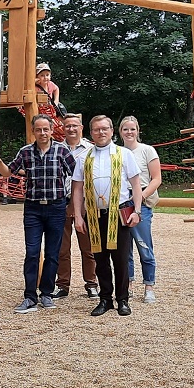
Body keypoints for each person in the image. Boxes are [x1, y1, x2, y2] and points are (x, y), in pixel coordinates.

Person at [0, 114, 76, 313]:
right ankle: (30, 296)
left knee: (53, 254)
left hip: (56, 207)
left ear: (52, 130)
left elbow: (77, 174)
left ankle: (46, 293)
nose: (43, 133)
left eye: (46, 129)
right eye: (39, 129)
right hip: (33, 209)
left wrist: (75, 203)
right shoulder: (26, 152)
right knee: (32, 253)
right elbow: (8, 172)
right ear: (33, 131)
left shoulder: (62, 151)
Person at [72, 115, 142, 317]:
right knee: (100, 258)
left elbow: (136, 185)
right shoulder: (84, 157)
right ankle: (105, 299)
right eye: (96, 129)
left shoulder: (124, 154)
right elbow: (77, 189)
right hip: (94, 215)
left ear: (112, 131)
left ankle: (122, 299)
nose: (101, 133)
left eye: (104, 129)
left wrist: (137, 211)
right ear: (91, 133)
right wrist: (78, 215)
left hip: (119, 213)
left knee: (120, 258)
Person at [52, 114, 97, 300]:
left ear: (81, 127)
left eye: (74, 125)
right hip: (59, 201)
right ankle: (62, 285)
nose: (71, 129)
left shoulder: (92, 149)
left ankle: (92, 284)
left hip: (86, 201)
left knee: (88, 247)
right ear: (63, 128)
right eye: (67, 126)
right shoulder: (55, 149)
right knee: (61, 248)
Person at [120, 116, 161, 304]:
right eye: (125, 129)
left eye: (132, 129)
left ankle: (149, 286)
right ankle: (127, 285)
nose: (129, 133)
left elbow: (156, 178)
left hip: (141, 201)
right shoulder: (116, 151)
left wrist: (140, 196)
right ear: (120, 132)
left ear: (138, 131)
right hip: (121, 202)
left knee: (144, 245)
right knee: (123, 247)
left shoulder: (147, 151)